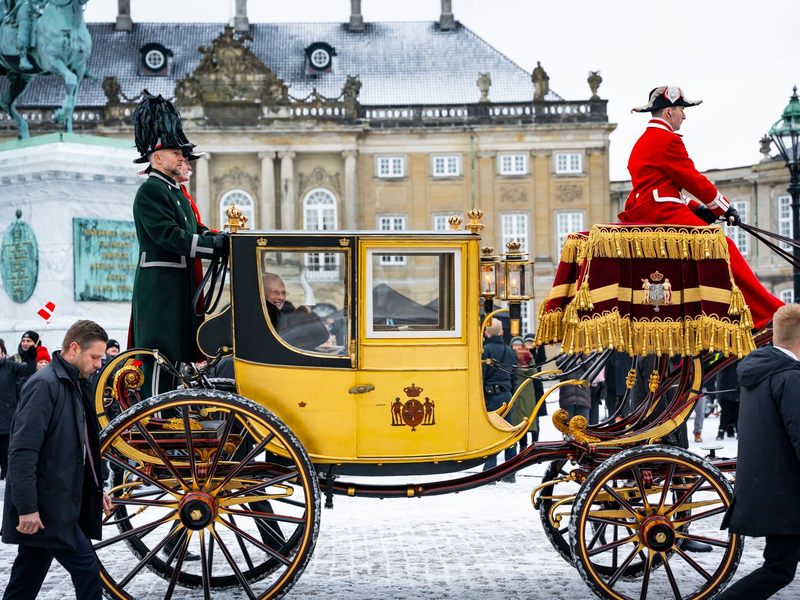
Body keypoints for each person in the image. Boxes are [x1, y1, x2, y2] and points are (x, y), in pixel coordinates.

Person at [619, 86, 782, 329]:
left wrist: (696, 209)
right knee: (721, 245)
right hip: (661, 213)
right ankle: (765, 313)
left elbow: (660, 188)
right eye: (681, 110)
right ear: (668, 112)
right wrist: (723, 209)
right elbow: (693, 179)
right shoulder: (667, 140)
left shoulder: (643, 141)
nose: (684, 116)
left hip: (648, 209)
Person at [2, 320, 113, 600]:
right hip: (48, 507)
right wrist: (27, 508)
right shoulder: (44, 385)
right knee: (87, 570)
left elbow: (84, 446)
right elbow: (22, 451)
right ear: (74, 348)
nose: (99, 364)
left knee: (25, 580)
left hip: (55, 503)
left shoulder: (73, 382)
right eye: (95, 357)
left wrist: (95, 490)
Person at [128, 92, 221, 397]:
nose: (183, 158)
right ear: (157, 158)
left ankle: (170, 415)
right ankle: (154, 419)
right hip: (162, 290)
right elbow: (168, 236)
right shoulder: (152, 192)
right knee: (160, 358)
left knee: (178, 357)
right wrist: (213, 246)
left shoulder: (177, 193)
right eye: (176, 152)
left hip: (180, 287)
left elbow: (197, 229)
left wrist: (222, 240)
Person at [718, 304, 800, 599]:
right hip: (786, 492)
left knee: (779, 567)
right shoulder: (789, 377)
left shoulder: (761, 371)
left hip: (768, 487)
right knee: (779, 569)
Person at [481, 320, 517, 482]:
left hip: (490, 397)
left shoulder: (485, 351)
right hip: (507, 395)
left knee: (490, 434)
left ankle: (490, 471)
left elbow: (481, 377)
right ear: (502, 333)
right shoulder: (510, 351)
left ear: (486, 333)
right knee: (509, 434)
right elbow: (515, 377)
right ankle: (510, 471)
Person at [0, 339, 36, 481]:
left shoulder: (9, 366)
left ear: (2, 351)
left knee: (8, 458)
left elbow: (28, 370)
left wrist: (31, 358)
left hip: (6, 421)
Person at [715, 360, 740, 440]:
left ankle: (734, 430)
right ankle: (722, 431)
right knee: (726, 412)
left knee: (737, 413)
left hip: (736, 388)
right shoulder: (725, 354)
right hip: (726, 388)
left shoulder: (742, 354)